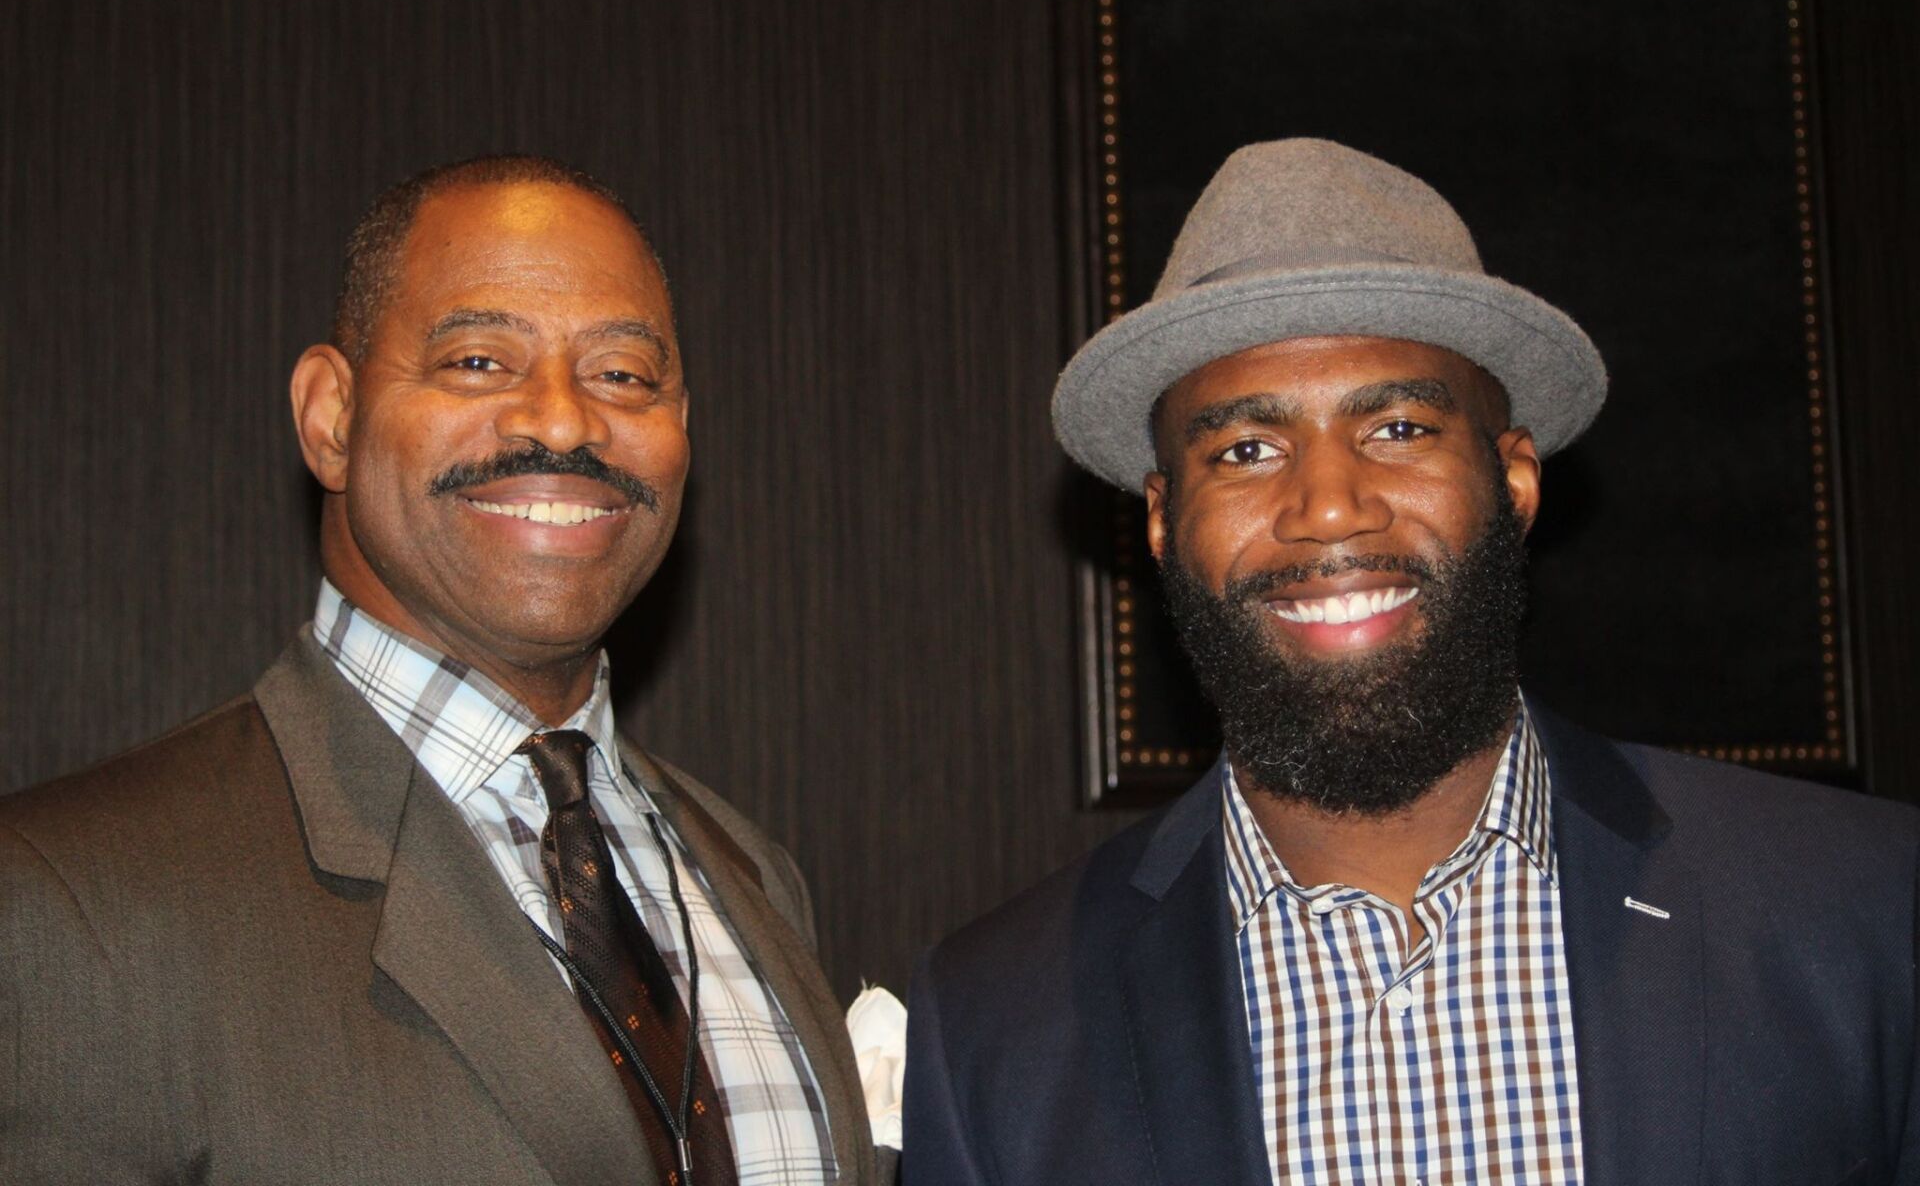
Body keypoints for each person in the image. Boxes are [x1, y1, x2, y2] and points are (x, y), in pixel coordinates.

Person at [902, 139, 1920, 1184]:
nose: (1329, 504)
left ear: (1514, 480)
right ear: (1163, 520)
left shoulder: (1869, 910)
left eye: (1396, 426)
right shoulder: (991, 1029)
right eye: (1244, 449)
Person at [1, 155, 887, 1186]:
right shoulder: (67, 906)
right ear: (332, 415)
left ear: (680, 433)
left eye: (624, 375)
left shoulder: (751, 870)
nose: (562, 419)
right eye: (477, 360)